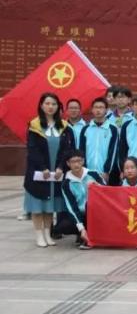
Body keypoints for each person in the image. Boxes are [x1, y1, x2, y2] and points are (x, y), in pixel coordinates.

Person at [24, 93, 74, 248]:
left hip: (56, 173)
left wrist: (60, 167)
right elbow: (33, 150)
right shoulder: (34, 126)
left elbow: (67, 150)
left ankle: (47, 234)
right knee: (38, 206)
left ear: (58, 107)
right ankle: (39, 235)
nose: (50, 107)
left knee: (50, 206)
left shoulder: (64, 126)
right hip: (39, 172)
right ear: (41, 105)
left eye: (54, 104)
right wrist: (43, 167)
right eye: (47, 103)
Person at [62, 149, 105, 250]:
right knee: (64, 225)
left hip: (97, 210)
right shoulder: (66, 183)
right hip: (81, 214)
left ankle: (93, 235)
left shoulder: (93, 174)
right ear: (68, 163)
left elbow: (106, 191)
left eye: (79, 161)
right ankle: (82, 234)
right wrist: (81, 229)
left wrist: (97, 185)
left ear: (83, 161)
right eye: (73, 162)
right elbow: (71, 207)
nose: (76, 164)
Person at [79, 97, 119, 184]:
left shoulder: (113, 129)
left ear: (106, 110)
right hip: (87, 172)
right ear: (92, 110)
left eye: (101, 107)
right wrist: (83, 169)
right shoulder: (85, 129)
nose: (98, 110)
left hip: (105, 173)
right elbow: (81, 151)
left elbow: (113, 152)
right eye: (96, 107)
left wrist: (107, 171)